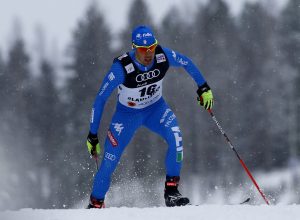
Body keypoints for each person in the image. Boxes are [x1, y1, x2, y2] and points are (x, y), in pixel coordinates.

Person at [86, 25, 214, 208]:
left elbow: (186, 62)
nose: (148, 53)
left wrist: (203, 87)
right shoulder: (121, 68)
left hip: (156, 109)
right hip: (126, 116)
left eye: (151, 48)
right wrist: (92, 134)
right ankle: (95, 203)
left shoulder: (162, 56)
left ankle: (171, 192)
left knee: (176, 139)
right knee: (109, 162)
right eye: (142, 50)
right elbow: (100, 100)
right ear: (134, 48)